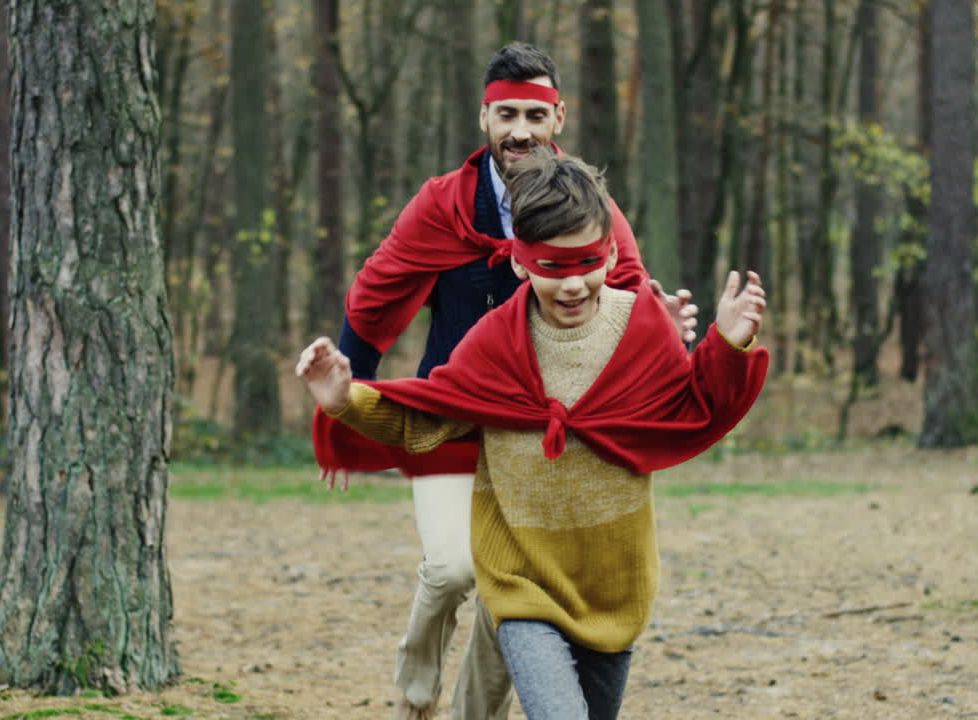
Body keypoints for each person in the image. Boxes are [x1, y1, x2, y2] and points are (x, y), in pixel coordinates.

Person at [299, 151, 769, 719]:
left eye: (586, 264)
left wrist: (727, 343)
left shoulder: (640, 325)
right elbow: (425, 416)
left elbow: (692, 409)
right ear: (521, 264)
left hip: (613, 583)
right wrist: (346, 399)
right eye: (552, 267)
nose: (572, 284)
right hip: (522, 582)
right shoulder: (496, 341)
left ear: (614, 252)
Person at [326, 43, 694, 719]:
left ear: (559, 119)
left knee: (510, 583)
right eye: (505, 114)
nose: (519, 129)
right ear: (483, 119)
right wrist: (341, 420)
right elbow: (373, 300)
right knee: (453, 568)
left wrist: (672, 344)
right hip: (453, 412)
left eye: (534, 113)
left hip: (538, 439)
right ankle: (415, 690)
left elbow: (632, 306)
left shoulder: (592, 211)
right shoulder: (443, 207)